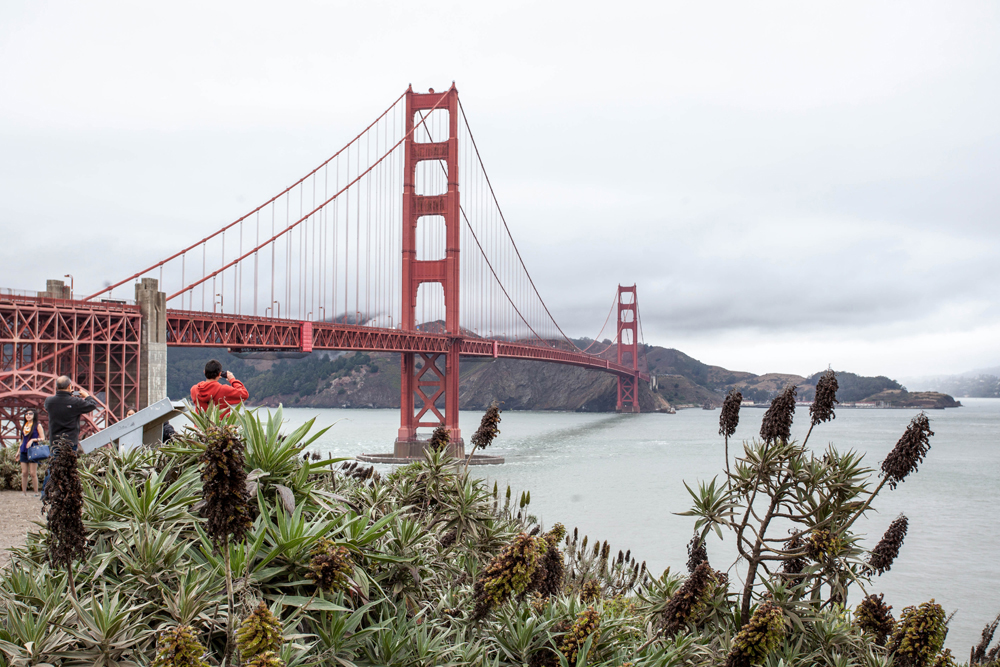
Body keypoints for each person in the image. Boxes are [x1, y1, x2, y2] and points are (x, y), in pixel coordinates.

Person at [42, 376, 99, 500]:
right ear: (70, 387)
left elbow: (50, 406)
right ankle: (61, 494)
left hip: (55, 440)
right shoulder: (76, 402)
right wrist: (86, 395)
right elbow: (93, 405)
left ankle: (48, 493)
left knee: (54, 465)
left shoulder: (49, 401)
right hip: (70, 441)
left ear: (56, 387)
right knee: (68, 467)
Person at [18, 409, 44, 497]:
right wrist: (18, 451)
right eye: (26, 414)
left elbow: (42, 438)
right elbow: (22, 440)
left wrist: (33, 440)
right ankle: (23, 492)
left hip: (33, 450)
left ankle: (36, 492)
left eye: (30, 414)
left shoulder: (37, 425)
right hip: (23, 450)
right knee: (24, 472)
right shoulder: (24, 425)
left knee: (33, 473)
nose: (28, 415)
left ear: (34, 415)